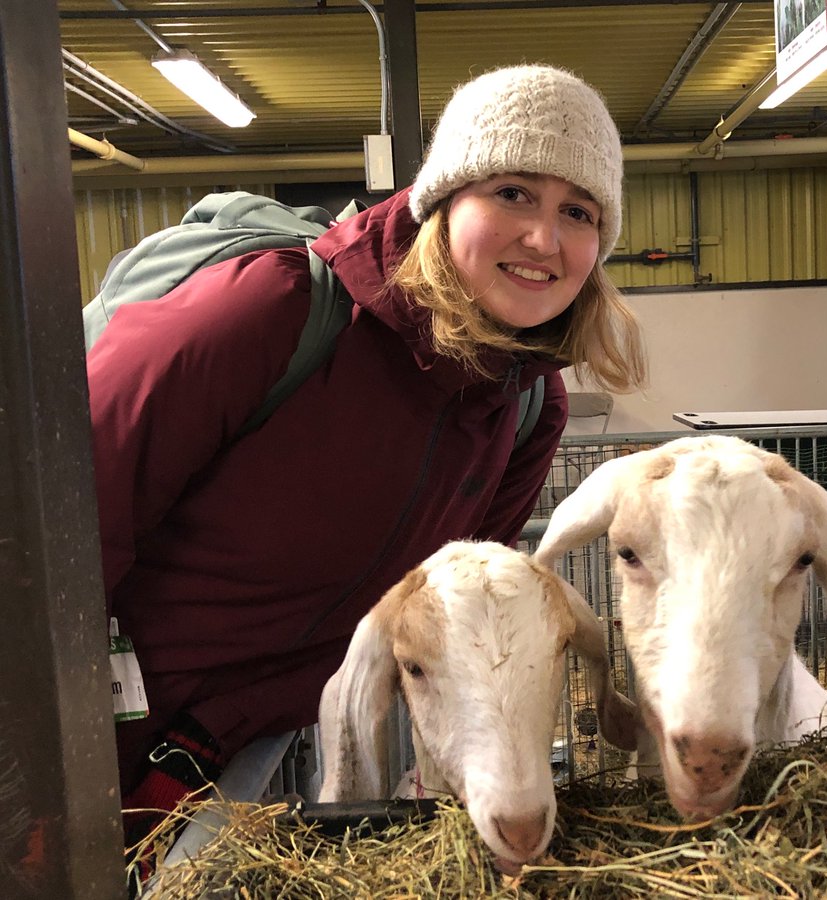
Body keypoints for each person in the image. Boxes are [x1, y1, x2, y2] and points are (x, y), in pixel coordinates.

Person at [86, 64, 646, 847]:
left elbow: (442, 602)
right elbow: (56, 526)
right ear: (445, 199)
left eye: (578, 211)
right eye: (512, 192)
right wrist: (50, 752)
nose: (544, 238)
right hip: (81, 726)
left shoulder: (524, 409)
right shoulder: (270, 311)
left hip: (236, 750)